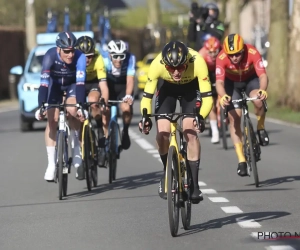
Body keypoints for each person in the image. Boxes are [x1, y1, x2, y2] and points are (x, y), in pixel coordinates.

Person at [139, 41, 213, 204]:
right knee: (162, 134)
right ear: (165, 65)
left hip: (191, 90)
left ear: (187, 62)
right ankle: (167, 172)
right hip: (167, 90)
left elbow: (208, 97)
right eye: (172, 68)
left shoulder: (198, 61)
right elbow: (147, 98)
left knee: (189, 131)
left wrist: (201, 116)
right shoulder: (157, 64)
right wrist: (145, 117)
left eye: (180, 67)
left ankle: (194, 184)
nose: (177, 72)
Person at [35, 31, 87, 181]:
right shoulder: (50, 56)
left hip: (71, 86)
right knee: (52, 119)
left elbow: (80, 84)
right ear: (58, 49)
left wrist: (81, 106)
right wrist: (41, 106)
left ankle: (76, 151)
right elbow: (44, 84)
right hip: (54, 87)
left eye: (72, 50)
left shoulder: (80, 57)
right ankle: (51, 164)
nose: (70, 55)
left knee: (72, 109)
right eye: (66, 51)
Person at [216, 33, 269, 177]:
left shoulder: (252, 52)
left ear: (243, 50)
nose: (234, 58)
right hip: (231, 84)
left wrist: (262, 90)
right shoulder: (221, 58)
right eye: (230, 55)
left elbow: (263, 75)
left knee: (258, 100)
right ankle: (241, 160)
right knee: (235, 117)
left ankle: (261, 127)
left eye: (237, 54)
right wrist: (223, 96)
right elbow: (219, 82)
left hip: (250, 80)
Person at [76, 35, 110, 170]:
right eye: (84, 56)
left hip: (93, 83)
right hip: (79, 83)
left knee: (93, 101)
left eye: (90, 56)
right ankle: (82, 152)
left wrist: (105, 103)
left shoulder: (99, 59)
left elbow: (104, 85)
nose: (87, 59)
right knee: (76, 112)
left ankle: (99, 129)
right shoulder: (74, 60)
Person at [102, 39, 135, 150]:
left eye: (122, 56)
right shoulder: (104, 60)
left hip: (123, 87)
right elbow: (101, 81)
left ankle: (125, 130)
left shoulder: (131, 58)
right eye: (115, 56)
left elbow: (130, 80)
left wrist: (128, 95)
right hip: (108, 86)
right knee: (105, 112)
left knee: (126, 108)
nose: (119, 59)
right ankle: (105, 137)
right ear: (109, 54)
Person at [199, 36, 222, 143]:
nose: (213, 55)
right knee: (211, 102)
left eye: (215, 52)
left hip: (220, 70)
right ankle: (215, 131)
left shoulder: (223, 52)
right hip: (206, 72)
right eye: (210, 52)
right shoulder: (202, 54)